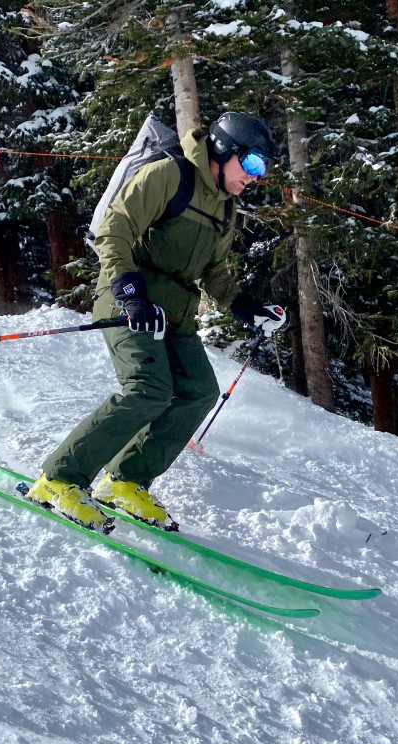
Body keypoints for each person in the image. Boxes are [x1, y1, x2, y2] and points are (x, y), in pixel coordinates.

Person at [27, 112, 285, 533]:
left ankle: (125, 480)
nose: (257, 177)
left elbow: (214, 271)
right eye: (253, 163)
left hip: (174, 315)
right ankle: (58, 479)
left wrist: (245, 307)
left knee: (199, 391)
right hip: (129, 300)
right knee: (148, 389)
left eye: (264, 168)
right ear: (224, 151)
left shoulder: (225, 206)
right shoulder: (170, 175)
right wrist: (130, 293)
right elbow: (114, 229)